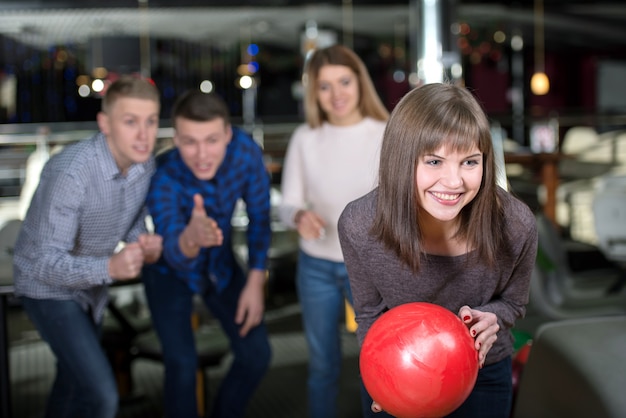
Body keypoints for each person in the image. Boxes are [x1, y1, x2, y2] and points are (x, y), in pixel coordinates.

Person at [338, 83, 538, 418]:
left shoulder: (515, 224)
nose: (454, 181)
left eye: (470, 162)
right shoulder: (360, 225)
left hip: (484, 373)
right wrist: (377, 377)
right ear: (401, 160)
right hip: (401, 371)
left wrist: (494, 319)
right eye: (434, 161)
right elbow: (369, 314)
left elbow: (514, 303)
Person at [13, 75, 163, 418]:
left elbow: (133, 216)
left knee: (71, 385)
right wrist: (110, 268)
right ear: (105, 124)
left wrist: (143, 240)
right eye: (130, 122)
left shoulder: (145, 163)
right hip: (45, 288)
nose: (144, 134)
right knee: (100, 396)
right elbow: (43, 264)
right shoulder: (72, 173)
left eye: (151, 121)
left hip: (90, 288)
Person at [141, 89, 272, 418]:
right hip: (168, 272)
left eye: (212, 140)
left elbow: (260, 218)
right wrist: (191, 237)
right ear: (175, 139)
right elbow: (172, 248)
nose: (202, 154)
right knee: (182, 365)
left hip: (221, 265)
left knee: (257, 354)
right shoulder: (163, 175)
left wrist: (256, 280)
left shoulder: (245, 153)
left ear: (228, 133)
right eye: (190, 142)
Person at [278, 44, 389, 418]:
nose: (336, 94)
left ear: (360, 83)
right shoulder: (305, 139)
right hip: (317, 267)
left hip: (373, 268)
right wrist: (298, 217)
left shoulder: (387, 133)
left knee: (379, 364)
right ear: (314, 93)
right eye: (324, 86)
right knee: (322, 365)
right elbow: (288, 201)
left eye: (343, 81)